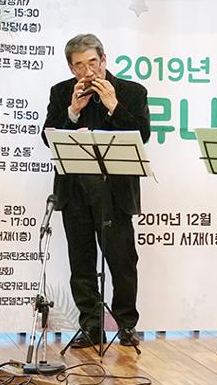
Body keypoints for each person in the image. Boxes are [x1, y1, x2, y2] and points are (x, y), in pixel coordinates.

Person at [42, 33, 151, 348]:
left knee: (122, 262)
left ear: (104, 60)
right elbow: (48, 137)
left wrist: (113, 105)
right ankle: (91, 326)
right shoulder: (61, 92)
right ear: (71, 68)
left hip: (114, 194)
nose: (88, 72)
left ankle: (126, 325)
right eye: (80, 65)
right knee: (82, 264)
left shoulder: (131, 92)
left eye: (93, 63)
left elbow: (142, 134)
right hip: (74, 191)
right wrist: (72, 112)